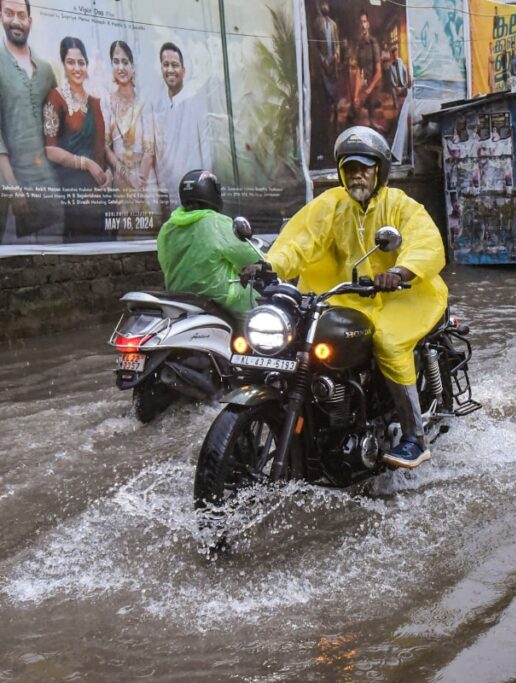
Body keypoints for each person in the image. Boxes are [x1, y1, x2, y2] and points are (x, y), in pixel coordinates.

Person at [253, 126, 447, 469]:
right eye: (350, 167)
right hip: (345, 297)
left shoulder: (400, 205)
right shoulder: (331, 205)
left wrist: (401, 272)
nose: (357, 174)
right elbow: (298, 241)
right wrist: (267, 266)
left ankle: (415, 437)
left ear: (379, 170)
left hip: (405, 295)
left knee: (387, 341)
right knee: (299, 339)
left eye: (365, 167)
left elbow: (426, 243)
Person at [0, 0, 64, 242]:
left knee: (58, 261)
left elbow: (59, 127)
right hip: (11, 194)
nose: (15, 21)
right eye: (9, 13)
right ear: (0, 15)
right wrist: (13, 189)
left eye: (20, 14)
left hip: (49, 189)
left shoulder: (46, 70)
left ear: (29, 20)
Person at [156, 169, 259, 318]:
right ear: (212, 192)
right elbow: (248, 256)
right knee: (263, 310)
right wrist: (271, 262)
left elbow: (165, 262)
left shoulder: (168, 227)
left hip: (180, 298)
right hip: (222, 299)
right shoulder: (215, 222)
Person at [43, 36, 112, 242]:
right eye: (71, 62)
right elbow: (50, 150)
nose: (77, 68)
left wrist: (108, 172)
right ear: (64, 65)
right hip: (74, 195)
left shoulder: (96, 102)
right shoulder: (55, 99)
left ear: (87, 65)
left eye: (81, 62)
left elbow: (102, 146)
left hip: (102, 193)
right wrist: (86, 163)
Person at [103, 40, 157, 224]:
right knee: (126, 233)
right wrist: (129, 178)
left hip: (146, 180)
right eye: (116, 62)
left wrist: (139, 185)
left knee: (151, 231)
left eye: (125, 62)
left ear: (133, 67)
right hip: (121, 180)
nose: (121, 67)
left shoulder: (144, 102)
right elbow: (105, 148)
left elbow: (150, 150)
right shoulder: (108, 103)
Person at [153, 42, 212, 208]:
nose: (170, 70)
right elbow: (159, 152)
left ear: (183, 71)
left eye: (175, 65)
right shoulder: (159, 107)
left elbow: (206, 148)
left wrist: (205, 186)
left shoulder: (196, 102)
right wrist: (162, 187)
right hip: (170, 192)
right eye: (166, 65)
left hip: (195, 191)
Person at [314, 2, 341, 143]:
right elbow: (315, 45)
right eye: (322, 4)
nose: (325, 7)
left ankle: (336, 124)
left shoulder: (334, 25)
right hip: (324, 65)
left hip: (333, 65)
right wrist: (322, 59)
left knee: (335, 95)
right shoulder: (317, 23)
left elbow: (337, 43)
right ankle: (327, 128)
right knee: (326, 95)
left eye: (327, 4)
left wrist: (336, 54)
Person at [354, 10, 382, 128]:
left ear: (368, 24)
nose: (362, 25)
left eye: (364, 22)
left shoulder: (373, 43)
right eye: (361, 22)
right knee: (356, 119)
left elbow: (379, 73)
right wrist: (355, 94)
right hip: (365, 88)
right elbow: (358, 73)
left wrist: (367, 91)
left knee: (373, 124)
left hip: (374, 88)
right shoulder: (359, 45)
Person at [386, 46, 408, 111]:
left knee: (408, 91)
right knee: (392, 89)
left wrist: (405, 81)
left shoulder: (400, 61)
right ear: (392, 55)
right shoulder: (390, 66)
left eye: (396, 54)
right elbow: (391, 79)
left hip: (403, 84)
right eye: (394, 55)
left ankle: (406, 106)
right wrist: (396, 87)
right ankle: (396, 106)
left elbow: (405, 70)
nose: (395, 56)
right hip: (396, 85)